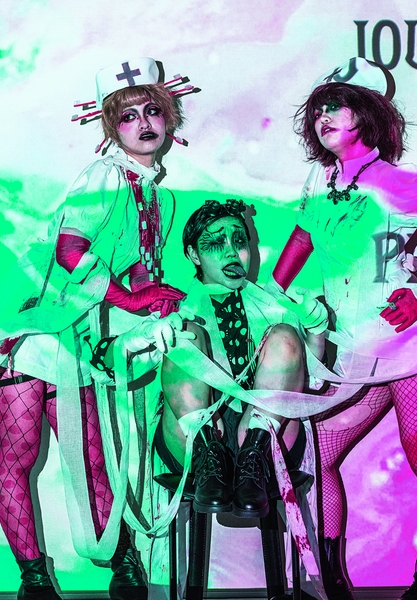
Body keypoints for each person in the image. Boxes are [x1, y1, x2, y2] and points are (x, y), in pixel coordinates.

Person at [270, 58, 417, 600]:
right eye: (318, 109)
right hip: (354, 348)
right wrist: (273, 292)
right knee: (318, 453)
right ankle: (329, 576)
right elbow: (304, 236)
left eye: (336, 106)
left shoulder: (399, 180)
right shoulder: (320, 180)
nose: (323, 117)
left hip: (411, 344)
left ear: (366, 115)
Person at [0, 57, 192, 600]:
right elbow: (69, 251)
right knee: (16, 456)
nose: (144, 123)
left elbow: (137, 267)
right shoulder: (104, 175)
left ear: (169, 117)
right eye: (128, 116)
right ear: (112, 127)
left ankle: (122, 558)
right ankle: (35, 576)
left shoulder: (156, 194)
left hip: (78, 338)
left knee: (93, 457)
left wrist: (153, 301)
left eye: (153, 110)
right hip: (35, 331)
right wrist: (131, 298)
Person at [158, 198, 327, 521]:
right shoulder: (174, 309)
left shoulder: (274, 307)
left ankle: (253, 458)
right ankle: (209, 458)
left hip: (267, 433)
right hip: (195, 436)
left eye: (239, 241)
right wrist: (143, 338)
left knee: (283, 334)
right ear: (193, 255)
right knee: (185, 334)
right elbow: (114, 365)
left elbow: (311, 381)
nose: (232, 253)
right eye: (215, 244)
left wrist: (316, 330)